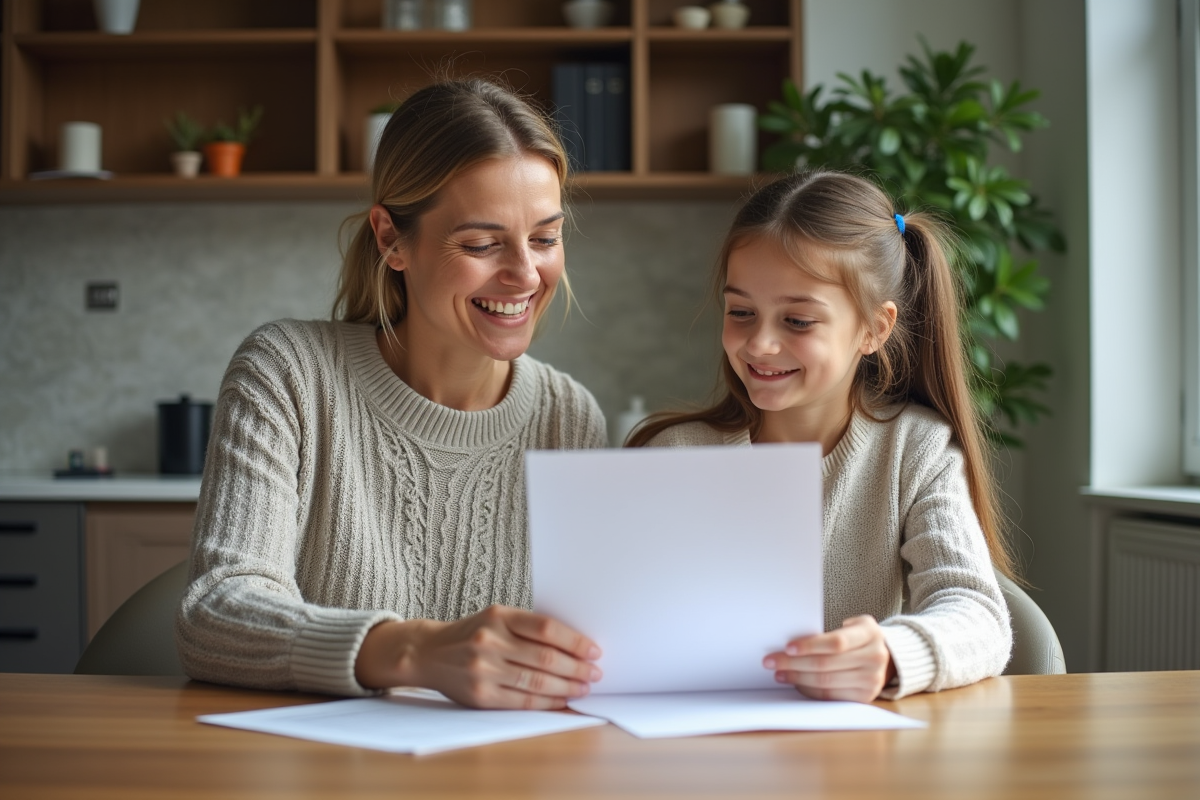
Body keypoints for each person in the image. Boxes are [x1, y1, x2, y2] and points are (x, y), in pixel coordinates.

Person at [177, 78, 608, 708]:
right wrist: (415, 652)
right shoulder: (288, 374)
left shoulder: (571, 419)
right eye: (482, 244)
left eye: (545, 238)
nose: (525, 274)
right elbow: (215, 613)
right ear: (391, 239)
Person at [628, 170, 1013, 702]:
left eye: (798, 321)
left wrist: (890, 654)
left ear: (875, 329)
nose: (759, 344)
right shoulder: (672, 456)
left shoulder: (915, 451)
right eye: (741, 312)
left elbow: (978, 615)